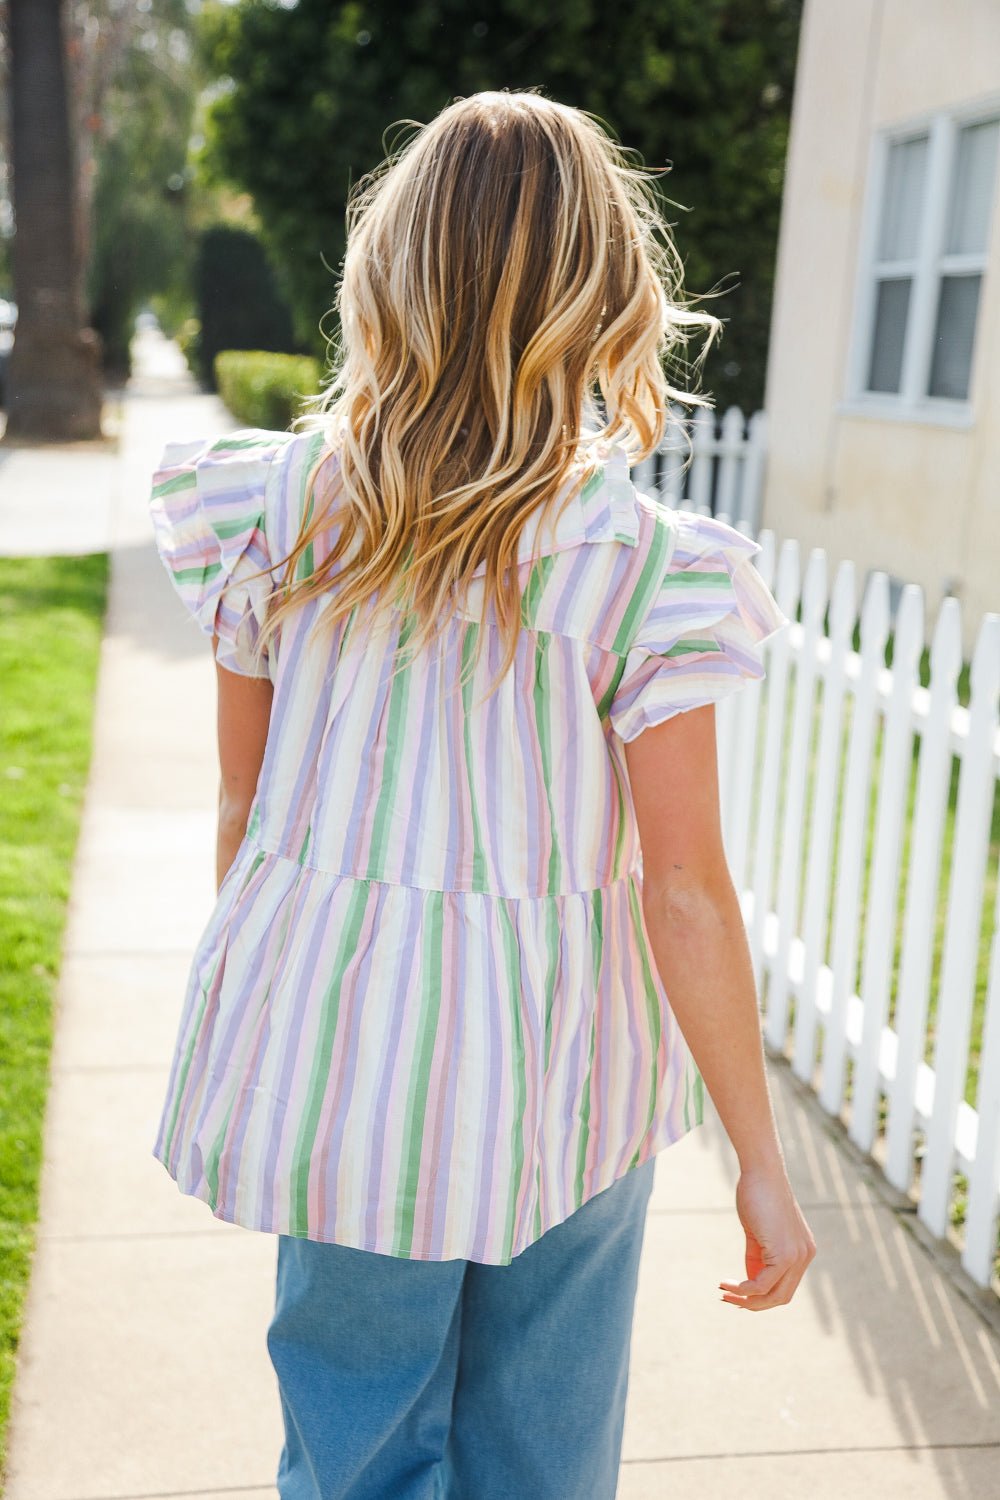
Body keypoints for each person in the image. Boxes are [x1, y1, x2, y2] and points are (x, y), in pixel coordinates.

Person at [148, 88, 816, 1500]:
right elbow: (684, 885)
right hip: (566, 1073)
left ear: (383, 271)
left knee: (355, 1459)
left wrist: (267, 1012)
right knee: (543, 1462)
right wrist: (760, 1159)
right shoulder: (637, 562)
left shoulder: (272, 514)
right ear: (606, 291)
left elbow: (241, 809)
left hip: (344, 1067)